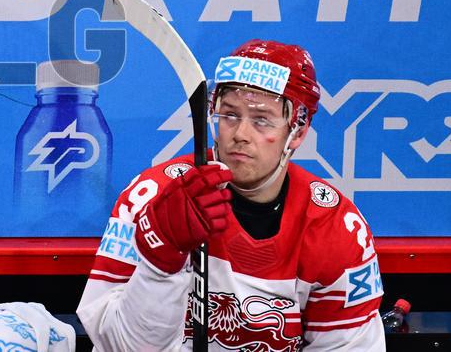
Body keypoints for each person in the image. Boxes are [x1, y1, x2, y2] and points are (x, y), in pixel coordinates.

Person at [78, 40, 385, 350]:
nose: (240, 134)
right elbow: (115, 346)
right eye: (230, 115)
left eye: (261, 119)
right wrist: (160, 264)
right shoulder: (151, 197)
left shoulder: (337, 227)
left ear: (298, 131)